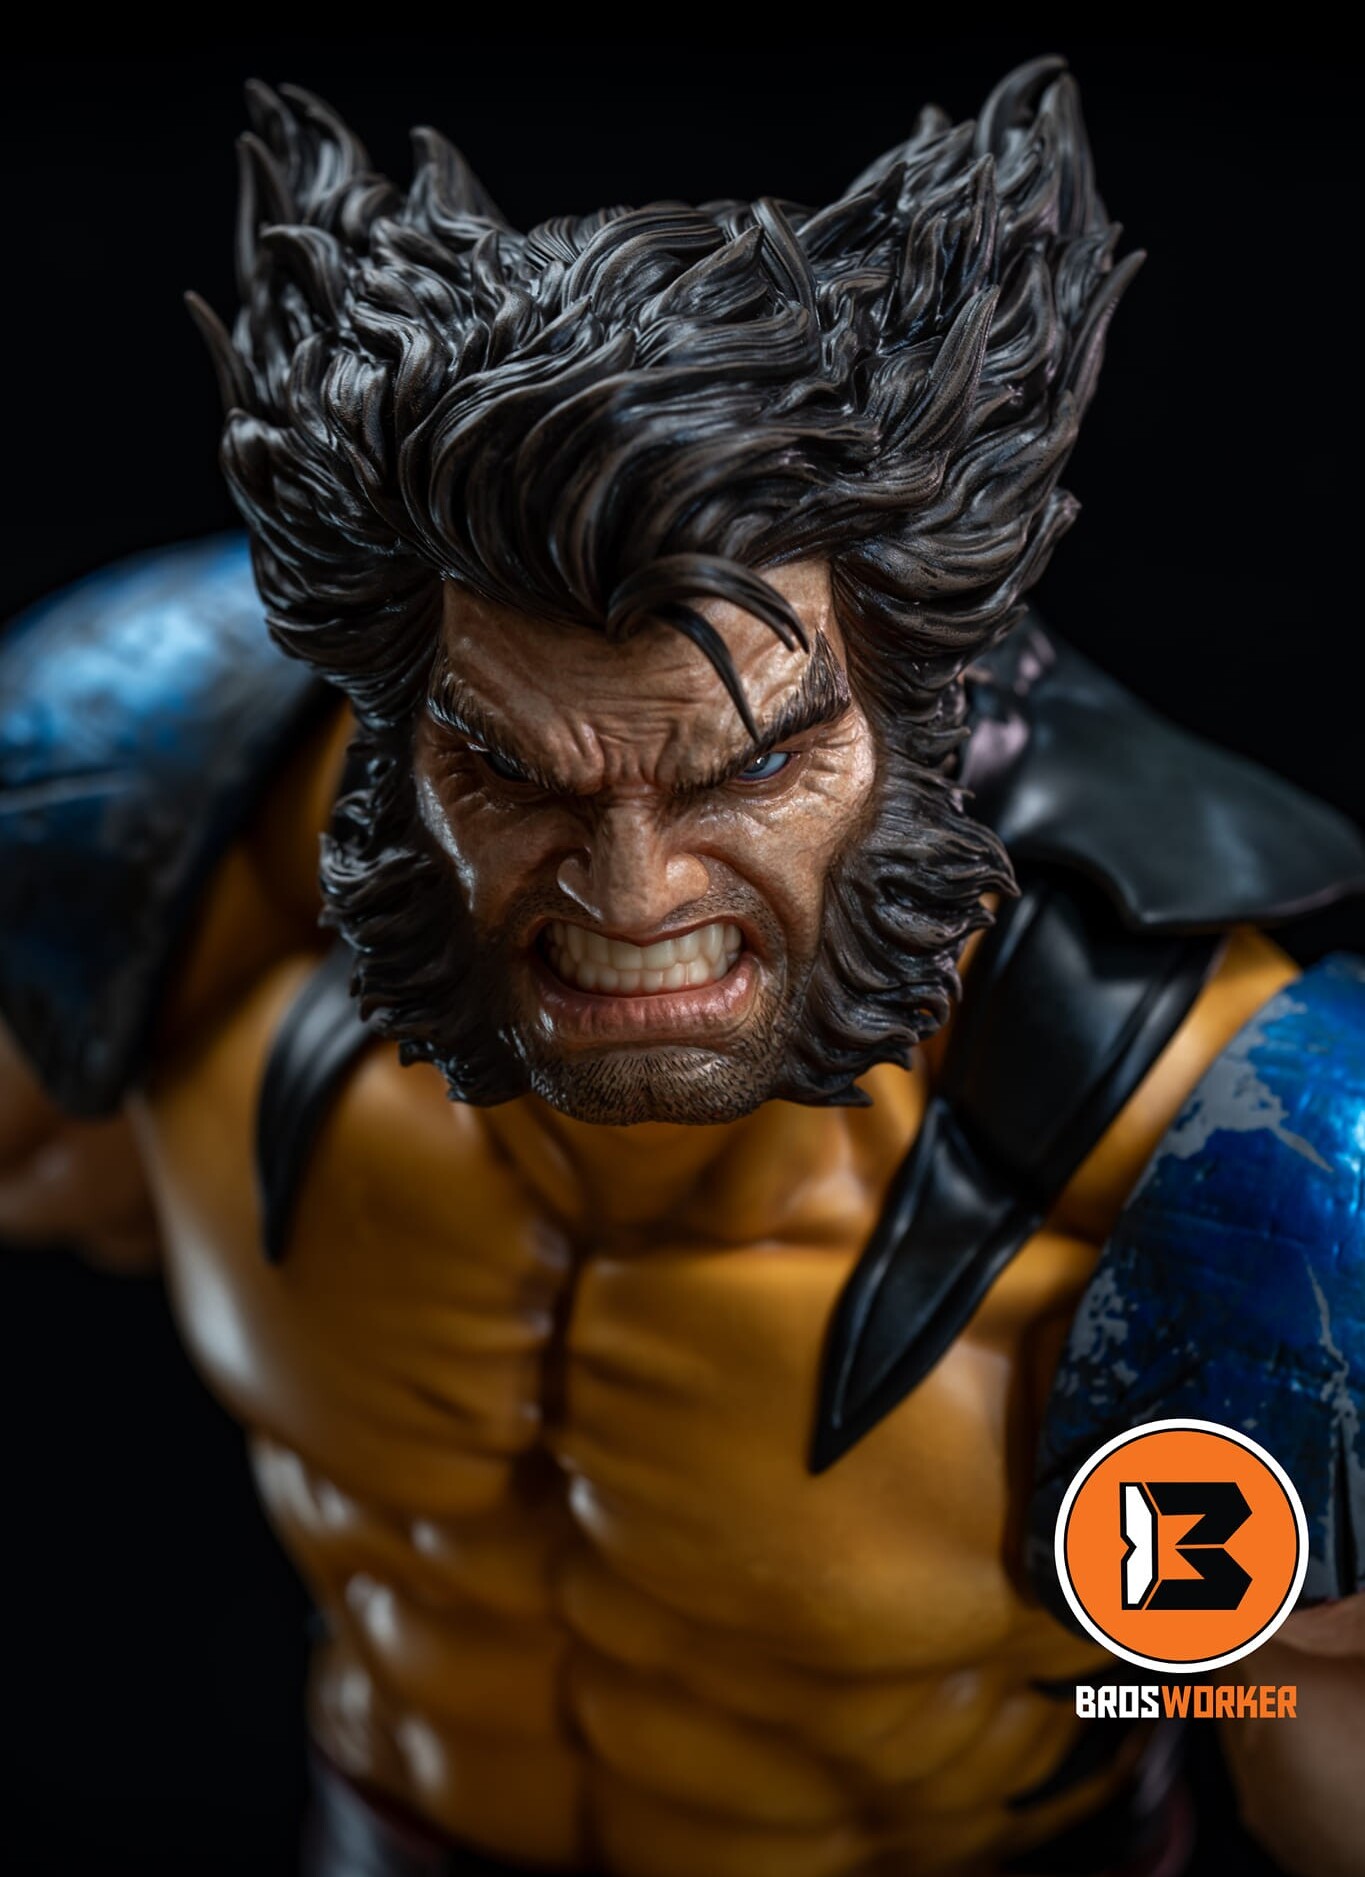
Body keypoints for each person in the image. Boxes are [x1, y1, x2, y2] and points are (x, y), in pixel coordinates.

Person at [1, 57, 1362, 1877]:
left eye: (748, 771)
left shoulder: (1232, 1155)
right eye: (511, 773)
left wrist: (1166, 1675)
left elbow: (1307, 1745)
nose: (631, 893)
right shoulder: (166, 833)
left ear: (919, 719)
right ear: (393, 733)